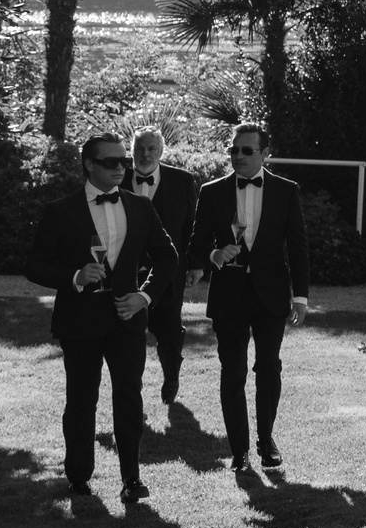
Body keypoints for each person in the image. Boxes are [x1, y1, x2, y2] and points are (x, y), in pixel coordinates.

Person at [24, 133, 180, 502]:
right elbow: (34, 266)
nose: (121, 168)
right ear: (89, 164)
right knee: (81, 399)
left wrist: (143, 297)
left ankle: (132, 478)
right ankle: (78, 475)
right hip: (79, 320)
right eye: (111, 162)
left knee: (129, 397)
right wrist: (75, 276)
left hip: (127, 320)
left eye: (124, 162)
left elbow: (167, 257)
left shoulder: (139, 207)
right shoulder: (60, 210)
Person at [185, 123, 311, 474]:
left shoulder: (286, 190)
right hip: (229, 295)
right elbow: (197, 243)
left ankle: (266, 441)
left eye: (246, 151)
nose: (237, 156)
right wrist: (213, 256)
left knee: (268, 367)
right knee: (233, 371)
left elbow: (297, 245)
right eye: (233, 150)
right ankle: (239, 451)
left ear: (264, 154)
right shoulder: (212, 192)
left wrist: (299, 296)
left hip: (271, 294)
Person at [123, 127, 199, 405]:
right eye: (139, 149)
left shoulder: (181, 180)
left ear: (161, 151)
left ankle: (171, 375)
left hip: (169, 271)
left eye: (151, 149)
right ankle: (132, 385)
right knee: (127, 330)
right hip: (125, 270)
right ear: (131, 152)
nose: (145, 154)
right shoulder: (116, 179)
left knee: (168, 328)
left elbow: (191, 226)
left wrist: (195, 265)